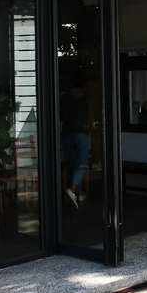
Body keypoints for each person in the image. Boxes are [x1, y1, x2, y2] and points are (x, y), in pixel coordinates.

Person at [60, 62, 91, 208]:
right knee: (82, 163)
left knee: (73, 163)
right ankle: (72, 189)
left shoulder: (65, 98)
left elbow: (60, 116)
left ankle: (80, 192)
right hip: (82, 132)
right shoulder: (86, 98)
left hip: (67, 132)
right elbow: (90, 115)